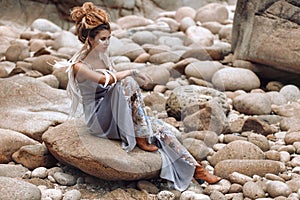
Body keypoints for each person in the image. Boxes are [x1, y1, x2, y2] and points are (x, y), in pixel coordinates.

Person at [61, 2, 221, 191]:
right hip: (99, 120)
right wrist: (132, 72)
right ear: (89, 39)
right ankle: (140, 135)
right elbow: (104, 81)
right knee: (127, 82)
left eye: (109, 38)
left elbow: (118, 88)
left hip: (114, 112)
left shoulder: (103, 57)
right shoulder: (79, 65)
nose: (107, 43)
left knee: (162, 129)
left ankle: (197, 170)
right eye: (103, 39)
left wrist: (131, 77)